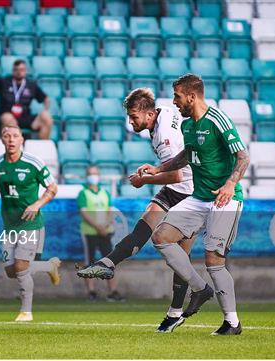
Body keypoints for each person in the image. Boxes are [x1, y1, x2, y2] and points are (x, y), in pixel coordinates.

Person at [77, 88, 195, 332]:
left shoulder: (163, 135)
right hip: (180, 186)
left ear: (150, 114)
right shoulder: (163, 113)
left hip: (191, 191)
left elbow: (176, 174)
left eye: (134, 117)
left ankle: (180, 309)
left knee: (181, 256)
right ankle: (107, 263)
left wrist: (144, 180)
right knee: (145, 224)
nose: (131, 122)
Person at [144, 74, 249, 336]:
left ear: (192, 96)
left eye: (177, 96)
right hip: (199, 197)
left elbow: (243, 156)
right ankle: (200, 289)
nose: (174, 101)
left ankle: (232, 323)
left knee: (214, 259)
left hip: (224, 198)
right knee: (161, 237)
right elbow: (186, 157)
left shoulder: (218, 120)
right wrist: (158, 168)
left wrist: (229, 184)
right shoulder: (187, 126)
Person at [0, 125, 60, 322]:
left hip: (31, 224)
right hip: (10, 226)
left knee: (21, 267)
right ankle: (49, 267)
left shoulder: (33, 163)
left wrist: (37, 204)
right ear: (1, 140)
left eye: (15, 136)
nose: (11, 139)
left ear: (21, 139)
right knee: (11, 271)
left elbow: (52, 187)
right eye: (7, 136)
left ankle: (26, 312)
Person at [77, 166, 124, 302]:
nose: (93, 176)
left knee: (109, 262)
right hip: (90, 232)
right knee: (89, 263)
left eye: (95, 173)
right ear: (86, 176)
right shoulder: (83, 193)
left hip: (105, 232)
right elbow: (84, 213)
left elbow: (110, 211)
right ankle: (91, 292)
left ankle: (113, 291)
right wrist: (98, 227)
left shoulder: (105, 192)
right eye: (91, 174)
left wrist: (105, 226)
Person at [0, 59, 54, 140]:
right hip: (8, 115)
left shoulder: (31, 85)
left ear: (26, 71)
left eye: (22, 70)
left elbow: (46, 99)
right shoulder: (4, 82)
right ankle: (11, 149)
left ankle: (42, 148)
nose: (19, 72)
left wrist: (46, 109)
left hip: (26, 117)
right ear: (13, 71)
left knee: (46, 117)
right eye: (16, 70)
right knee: (7, 119)